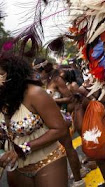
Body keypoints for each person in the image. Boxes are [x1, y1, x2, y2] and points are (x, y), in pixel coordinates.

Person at [0, 53, 68, 186]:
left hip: (47, 161)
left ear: (12, 75)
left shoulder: (35, 94)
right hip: (16, 167)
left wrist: (23, 149)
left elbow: (60, 129)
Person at [33, 58, 84, 187]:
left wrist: (52, 102)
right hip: (47, 120)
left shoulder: (57, 80)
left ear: (44, 70)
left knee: (68, 147)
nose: (37, 75)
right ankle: (78, 170)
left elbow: (70, 98)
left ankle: (79, 180)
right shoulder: (41, 82)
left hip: (60, 118)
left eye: (38, 72)